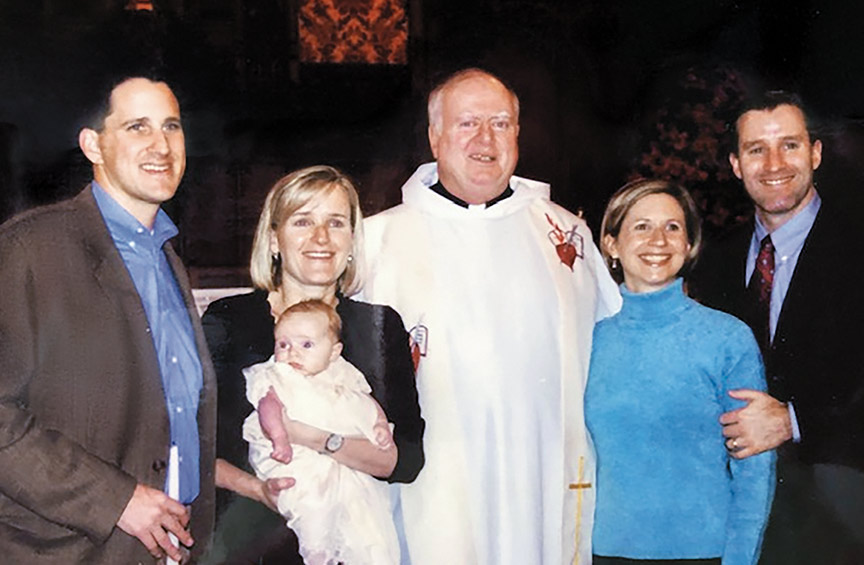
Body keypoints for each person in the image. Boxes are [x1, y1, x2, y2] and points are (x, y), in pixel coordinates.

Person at [361, 68, 621, 565]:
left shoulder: (566, 236)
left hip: (542, 479)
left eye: (500, 123)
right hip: (432, 488)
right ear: (434, 136)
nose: (485, 139)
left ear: (518, 135)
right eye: (468, 123)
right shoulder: (374, 242)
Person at [0, 76, 216, 563]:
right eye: (138, 126)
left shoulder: (167, 260)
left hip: (170, 547)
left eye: (171, 126)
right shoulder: (30, 250)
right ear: (93, 145)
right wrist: (115, 499)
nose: (161, 144)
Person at [201, 165, 424, 564]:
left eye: (336, 223)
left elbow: (405, 459)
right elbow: (196, 446)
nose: (321, 237)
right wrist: (260, 491)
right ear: (274, 239)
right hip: (249, 543)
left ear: (352, 240)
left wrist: (313, 437)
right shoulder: (230, 320)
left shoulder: (378, 325)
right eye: (302, 221)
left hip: (353, 545)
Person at [690, 91, 864, 563]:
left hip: (842, 513)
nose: (773, 164)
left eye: (789, 145)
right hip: (739, 515)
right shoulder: (714, 263)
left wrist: (793, 420)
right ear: (736, 164)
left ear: (816, 153)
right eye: (756, 149)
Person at [585, 179, 774, 565]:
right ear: (611, 244)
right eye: (641, 226)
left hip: (704, 553)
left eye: (672, 227)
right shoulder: (585, 337)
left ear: (689, 245)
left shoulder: (727, 338)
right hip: (603, 551)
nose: (658, 240)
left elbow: (755, 469)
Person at [243, 299, 399, 565]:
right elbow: (268, 407)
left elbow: (367, 401)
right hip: (297, 460)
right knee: (312, 503)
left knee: (361, 519)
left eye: (306, 345)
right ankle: (316, 554)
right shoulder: (278, 375)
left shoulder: (343, 373)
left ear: (334, 351)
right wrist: (280, 438)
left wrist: (380, 425)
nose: (292, 352)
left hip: (343, 466)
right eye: (283, 344)